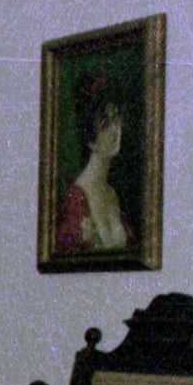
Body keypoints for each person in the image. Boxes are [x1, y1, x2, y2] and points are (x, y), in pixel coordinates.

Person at [53, 73, 132, 254]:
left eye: (117, 119)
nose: (116, 131)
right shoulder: (76, 198)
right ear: (89, 137)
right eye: (106, 124)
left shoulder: (112, 194)